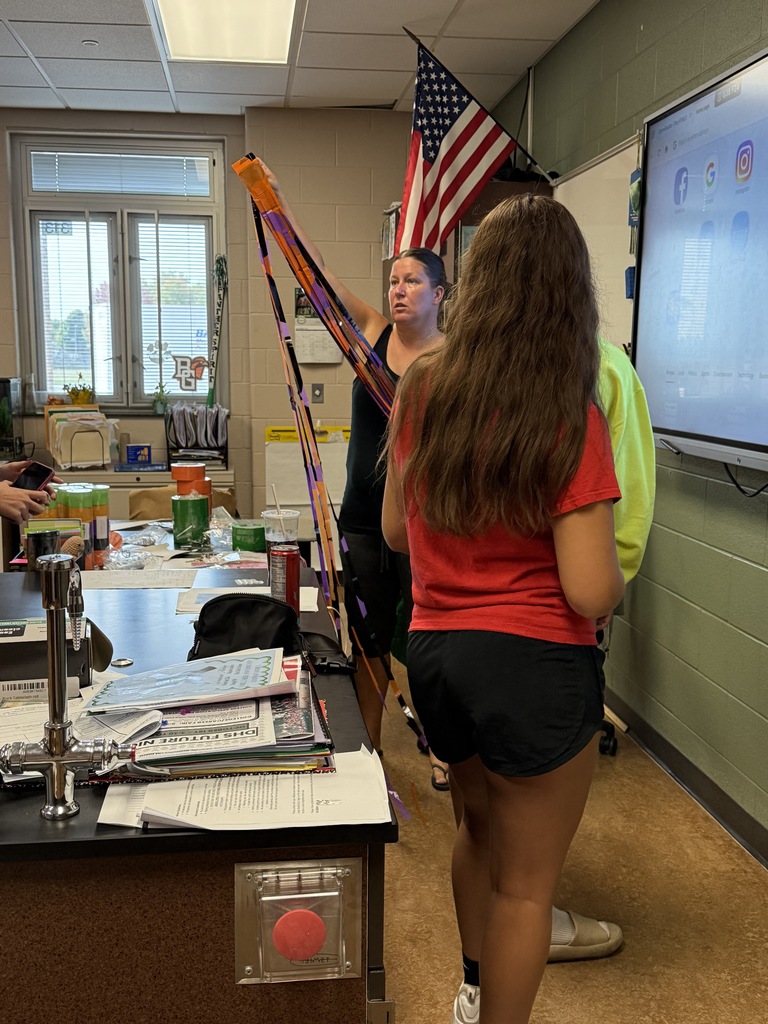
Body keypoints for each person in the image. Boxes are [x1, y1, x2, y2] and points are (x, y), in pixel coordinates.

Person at [382, 194, 625, 1024]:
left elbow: (393, 530)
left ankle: (472, 988)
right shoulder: (567, 414)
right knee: (527, 889)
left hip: (438, 656)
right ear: (570, 295)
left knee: (475, 833)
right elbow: (590, 590)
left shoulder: (421, 388)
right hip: (533, 665)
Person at [255, 159, 448, 783]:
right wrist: (279, 211)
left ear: (441, 294)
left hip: (428, 525)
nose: (398, 289)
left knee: (427, 643)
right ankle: (371, 754)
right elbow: (321, 283)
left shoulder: (458, 362)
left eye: (413, 280)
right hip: (364, 521)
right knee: (367, 644)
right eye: (393, 280)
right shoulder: (371, 333)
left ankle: (444, 748)